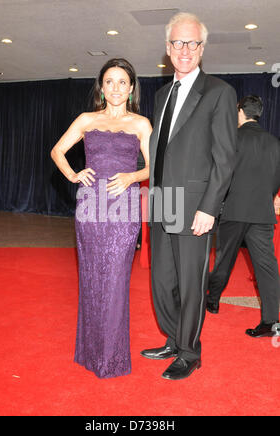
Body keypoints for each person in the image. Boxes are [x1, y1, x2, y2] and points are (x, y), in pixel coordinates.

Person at [140, 12, 237, 380]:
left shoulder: (219, 93)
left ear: (202, 47)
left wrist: (209, 208)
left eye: (192, 43)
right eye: (178, 42)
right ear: (167, 48)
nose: (185, 49)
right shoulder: (163, 93)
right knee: (162, 280)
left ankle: (189, 351)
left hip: (195, 206)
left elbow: (225, 158)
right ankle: (171, 337)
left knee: (193, 283)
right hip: (162, 202)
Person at [51, 58, 151, 378]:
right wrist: (73, 174)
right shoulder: (86, 119)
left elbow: (156, 166)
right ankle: (90, 352)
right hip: (90, 211)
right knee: (92, 280)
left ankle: (112, 357)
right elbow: (57, 151)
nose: (116, 88)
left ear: (131, 88)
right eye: (110, 81)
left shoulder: (141, 124)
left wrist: (132, 177)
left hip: (124, 211)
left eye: (123, 82)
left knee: (116, 282)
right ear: (101, 87)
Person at [207, 95, 280, 338]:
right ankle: (270, 321)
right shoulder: (274, 142)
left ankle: (213, 300)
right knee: (267, 267)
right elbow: (275, 181)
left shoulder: (233, 139)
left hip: (235, 210)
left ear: (240, 111)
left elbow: (222, 176)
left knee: (224, 260)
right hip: (262, 212)